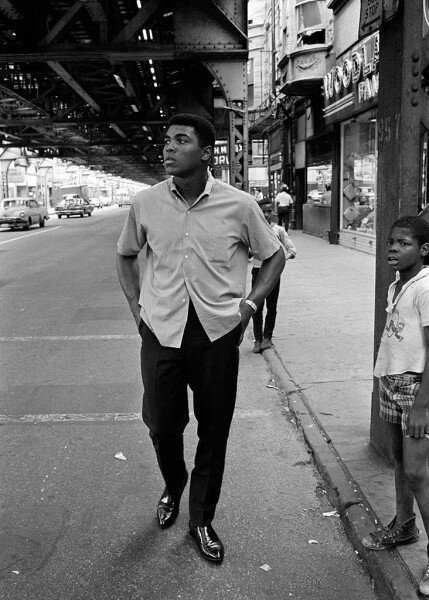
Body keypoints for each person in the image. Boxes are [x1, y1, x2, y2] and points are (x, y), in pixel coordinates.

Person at [116, 113, 285, 564]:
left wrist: (248, 307)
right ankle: (174, 485)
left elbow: (273, 258)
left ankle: (201, 518)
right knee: (161, 425)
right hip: (161, 332)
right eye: (166, 140)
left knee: (214, 430)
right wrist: (137, 309)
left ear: (206, 152)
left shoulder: (239, 204)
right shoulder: (145, 203)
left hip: (216, 334)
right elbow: (126, 254)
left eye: (180, 140)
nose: (168, 147)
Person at [361, 216, 429, 597]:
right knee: (401, 461)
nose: (392, 248)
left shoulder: (426, 287)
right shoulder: (397, 284)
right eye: (390, 242)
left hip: (416, 388)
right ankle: (404, 525)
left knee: (419, 472)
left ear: (424, 250)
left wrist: (422, 405)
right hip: (391, 380)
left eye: (402, 243)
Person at [251, 200, 297, 353]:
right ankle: (257, 340)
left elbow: (292, 249)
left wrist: (281, 260)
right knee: (255, 306)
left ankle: (267, 338)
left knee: (272, 306)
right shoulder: (253, 230)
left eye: (269, 211)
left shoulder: (278, 230)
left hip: (273, 274)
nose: (266, 214)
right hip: (257, 272)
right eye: (263, 211)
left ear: (273, 212)